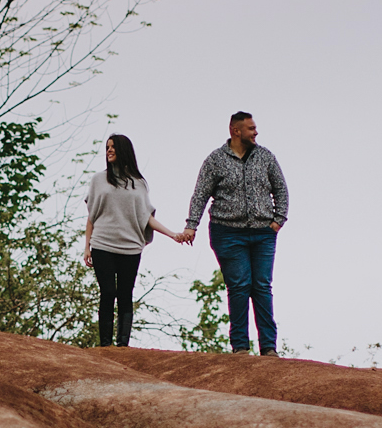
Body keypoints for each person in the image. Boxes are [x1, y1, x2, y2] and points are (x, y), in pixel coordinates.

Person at [180, 111, 289, 355]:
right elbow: (200, 194)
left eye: (255, 127)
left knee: (261, 286)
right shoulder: (216, 160)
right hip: (227, 233)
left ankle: (269, 348)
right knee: (240, 285)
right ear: (235, 131)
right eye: (251, 128)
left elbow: (281, 189)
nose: (256, 132)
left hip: (263, 233)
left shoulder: (266, 157)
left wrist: (278, 221)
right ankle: (240, 347)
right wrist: (191, 225)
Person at [82, 134, 184, 347]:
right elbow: (91, 215)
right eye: (107, 147)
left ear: (124, 150)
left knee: (125, 293)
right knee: (108, 291)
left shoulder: (139, 184)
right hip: (103, 244)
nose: (108, 151)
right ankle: (105, 345)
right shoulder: (98, 180)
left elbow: (146, 217)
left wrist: (172, 234)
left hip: (130, 247)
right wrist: (87, 247)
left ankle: (123, 345)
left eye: (113, 147)